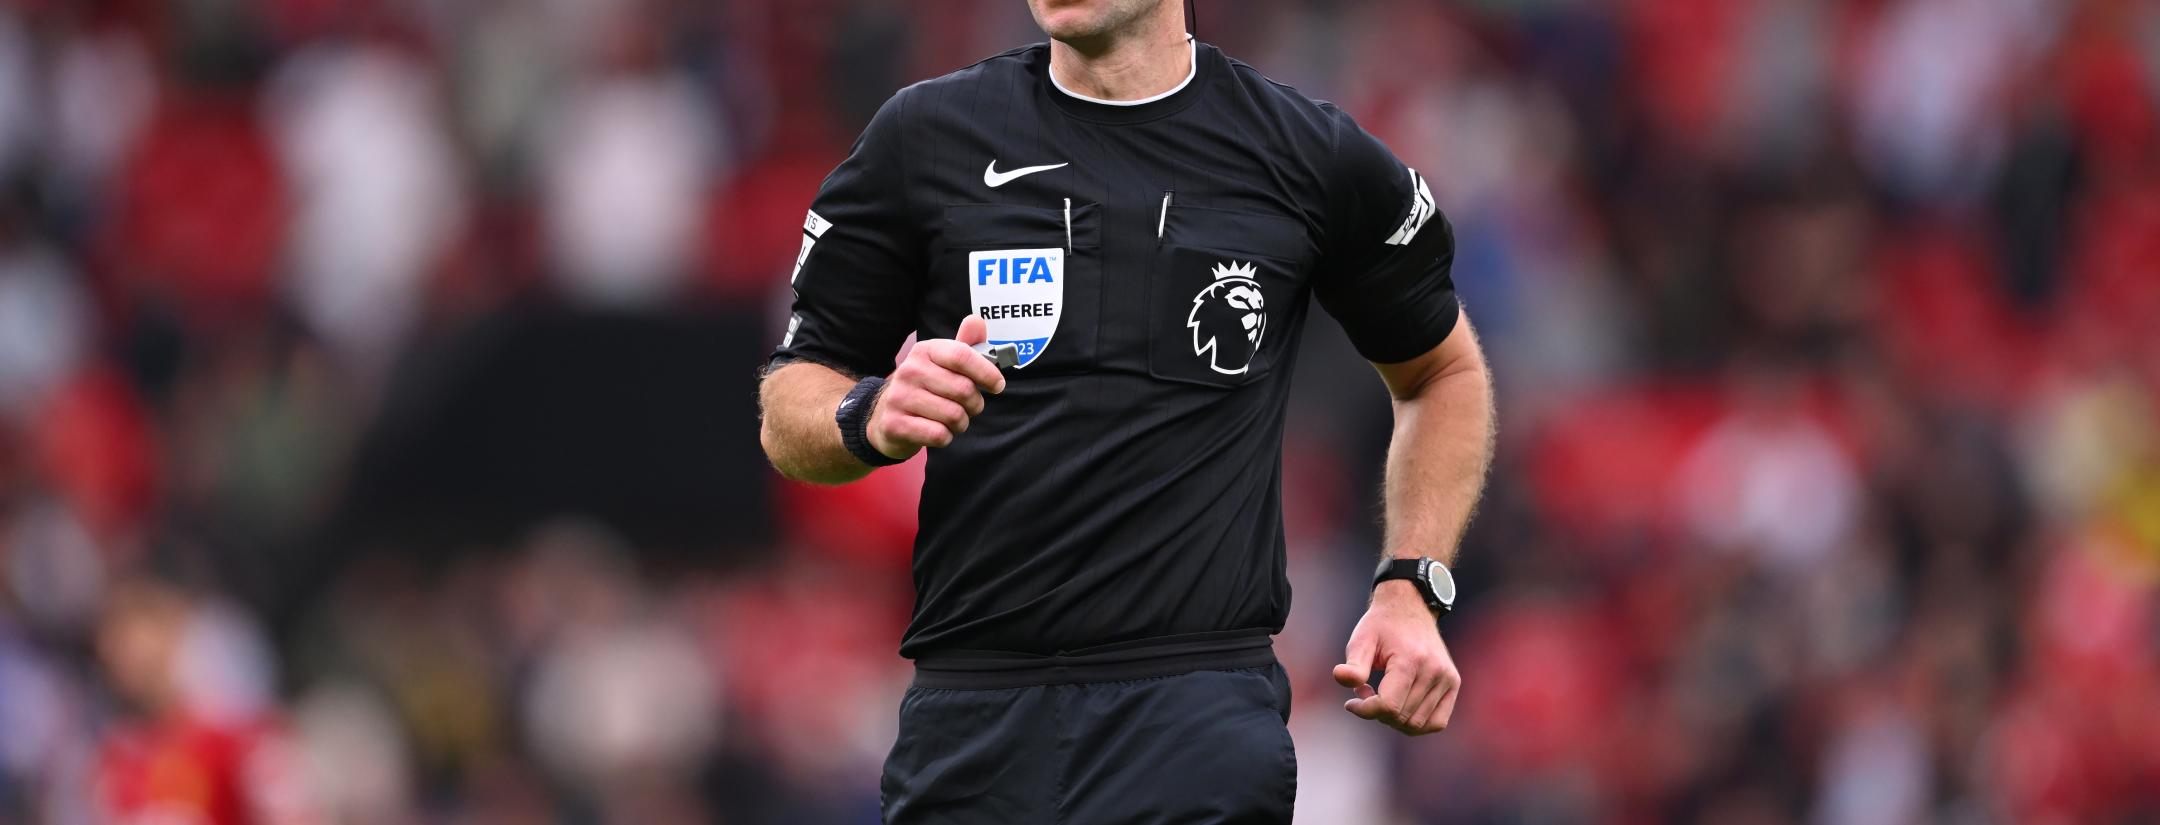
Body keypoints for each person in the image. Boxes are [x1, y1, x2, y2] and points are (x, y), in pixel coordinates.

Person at [757, 0, 1494, 820]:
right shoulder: (926, 137)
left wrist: (1411, 586)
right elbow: (792, 399)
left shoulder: (1303, 153)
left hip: (1193, 716)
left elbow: (1443, 372)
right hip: (973, 718)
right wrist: (868, 414)